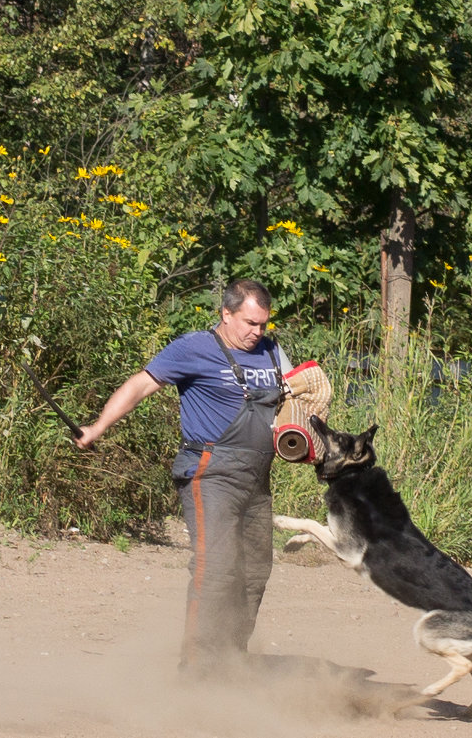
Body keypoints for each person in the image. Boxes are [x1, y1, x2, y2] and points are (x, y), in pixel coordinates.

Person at [74, 279, 291, 672]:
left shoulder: (274, 352)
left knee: (255, 572)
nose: (257, 332)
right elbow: (141, 385)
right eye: (249, 322)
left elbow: (297, 399)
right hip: (210, 474)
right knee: (218, 567)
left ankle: (230, 661)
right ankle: (197, 671)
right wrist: (97, 428)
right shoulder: (195, 347)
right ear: (226, 314)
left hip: (258, 480)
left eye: (263, 324)